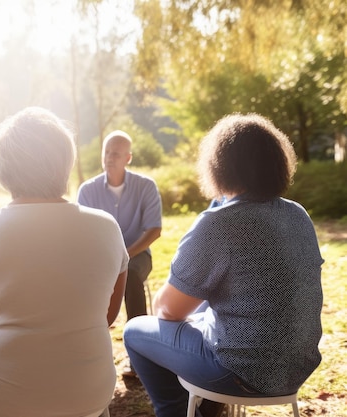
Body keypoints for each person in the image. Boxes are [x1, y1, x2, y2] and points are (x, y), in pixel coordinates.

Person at [123, 113, 324, 417]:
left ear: (219, 166)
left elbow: (167, 309)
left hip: (242, 373)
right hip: (296, 368)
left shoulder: (220, 223)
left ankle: (175, 412)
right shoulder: (298, 214)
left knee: (134, 332)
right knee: (205, 307)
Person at [0, 107, 129, 417]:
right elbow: (107, 316)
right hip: (88, 393)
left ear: (2, 168)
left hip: (4, 398)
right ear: (65, 162)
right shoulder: (107, 227)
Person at [77, 129, 162, 377]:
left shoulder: (146, 186)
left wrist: (123, 255)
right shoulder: (88, 190)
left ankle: (139, 359)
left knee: (132, 278)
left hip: (137, 256)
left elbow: (154, 230)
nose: (109, 157)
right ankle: (85, 353)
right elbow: (83, 233)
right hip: (99, 258)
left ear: (128, 158)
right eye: (106, 152)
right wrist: (104, 258)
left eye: (116, 153)